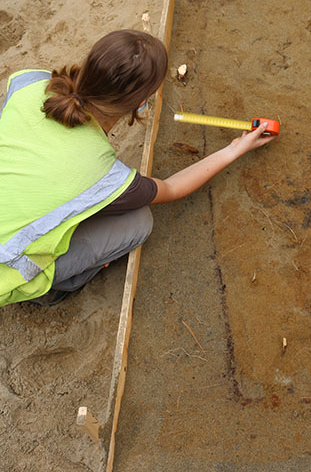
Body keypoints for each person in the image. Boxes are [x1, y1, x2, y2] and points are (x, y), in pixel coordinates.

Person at [0, 30, 274, 307]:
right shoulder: (105, 176)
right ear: (141, 103)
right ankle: (52, 288)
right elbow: (172, 187)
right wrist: (235, 149)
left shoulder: (29, 81)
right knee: (138, 223)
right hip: (6, 273)